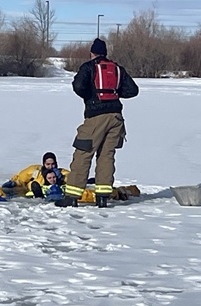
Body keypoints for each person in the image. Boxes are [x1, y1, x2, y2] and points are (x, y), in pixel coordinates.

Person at [55, 38, 139, 208]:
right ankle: (102, 197)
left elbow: (78, 86)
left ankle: (72, 196)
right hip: (116, 118)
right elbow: (133, 90)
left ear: (92, 53)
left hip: (96, 116)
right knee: (106, 156)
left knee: (83, 153)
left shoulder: (89, 67)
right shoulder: (117, 68)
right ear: (105, 53)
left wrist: (92, 95)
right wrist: (113, 93)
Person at [1, 152, 69, 197]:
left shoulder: (61, 172)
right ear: (44, 164)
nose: (50, 167)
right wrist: (13, 182)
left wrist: (61, 178)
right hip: (31, 193)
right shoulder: (36, 172)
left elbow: (72, 178)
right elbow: (21, 178)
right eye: (48, 164)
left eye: (53, 164)